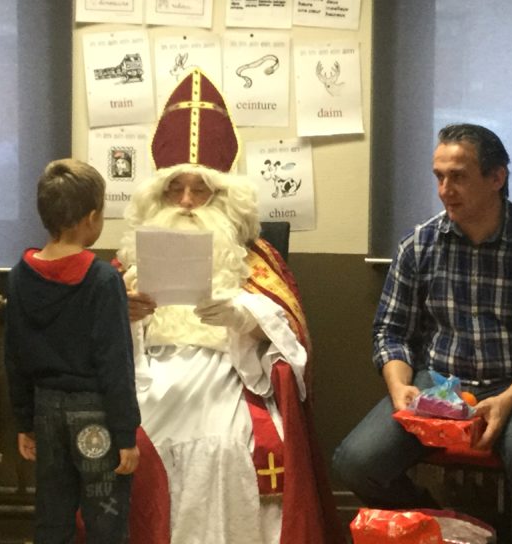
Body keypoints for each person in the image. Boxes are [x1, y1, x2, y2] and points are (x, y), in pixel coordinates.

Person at [115, 68, 343, 544]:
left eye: (200, 189)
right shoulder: (126, 262)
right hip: (145, 372)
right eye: (174, 189)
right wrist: (125, 317)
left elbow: (292, 335)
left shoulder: (255, 257)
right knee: (142, 436)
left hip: (229, 371)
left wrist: (246, 317)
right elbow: (93, 337)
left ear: (222, 196)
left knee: (226, 445)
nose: (186, 201)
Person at [332, 124, 512, 544]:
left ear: (497, 177)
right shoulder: (418, 245)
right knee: (356, 462)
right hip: (440, 384)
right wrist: (400, 388)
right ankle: (438, 523)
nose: (445, 190)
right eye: (439, 177)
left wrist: (507, 399)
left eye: (458, 177)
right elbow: (391, 331)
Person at [4, 158, 141, 543]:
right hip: (95, 414)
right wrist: (126, 434)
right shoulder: (103, 279)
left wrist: (24, 422)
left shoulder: (19, 276)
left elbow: (13, 356)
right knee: (106, 520)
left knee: (52, 516)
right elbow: (115, 363)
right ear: (92, 217)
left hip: (45, 411)